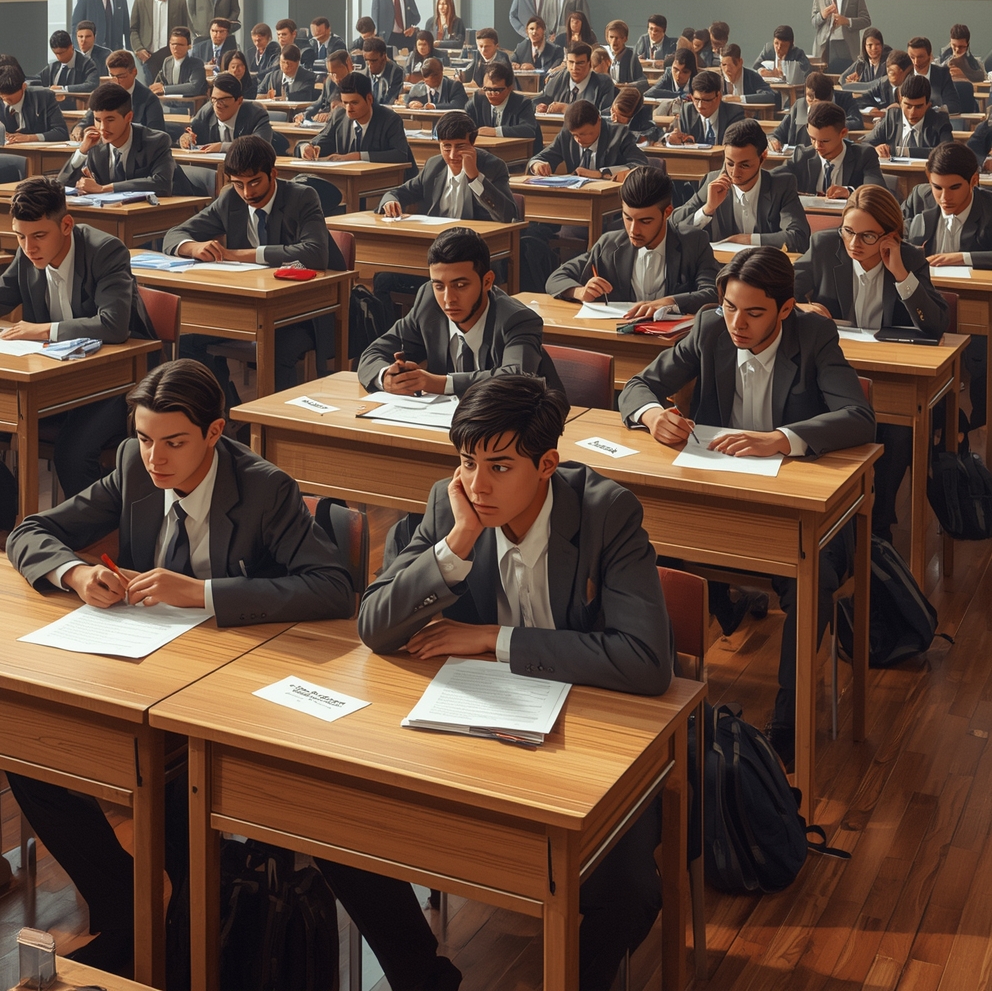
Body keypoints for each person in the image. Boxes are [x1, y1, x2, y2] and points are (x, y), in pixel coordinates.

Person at [4, 357, 354, 981]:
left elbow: (331, 587)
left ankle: (187, 941)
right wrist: (78, 573)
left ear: (215, 434)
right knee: (28, 743)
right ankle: (123, 907)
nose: (155, 458)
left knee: (182, 805)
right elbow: (31, 530)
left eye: (173, 442)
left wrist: (202, 592)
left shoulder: (263, 488)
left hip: (230, 690)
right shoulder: (133, 470)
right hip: (136, 671)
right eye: (143, 439)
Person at [358, 373, 672, 991]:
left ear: (547, 464)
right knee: (345, 823)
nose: (478, 484)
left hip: (594, 737)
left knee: (625, 888)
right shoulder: (451, 505)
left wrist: (491, 639)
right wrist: (457, 543)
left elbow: (644, 660)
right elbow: (374, 625)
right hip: (478, 731)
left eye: (499, 466)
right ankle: (421, 975)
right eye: (468, 462)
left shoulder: (607, 512)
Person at [618, 246, 874, 767]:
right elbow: (640, 384)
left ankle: (787, 719)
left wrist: (781, 438)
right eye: (731, 306)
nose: (738, 322)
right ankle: (651, 708)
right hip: (716, 498)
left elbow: (858, 416)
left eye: (754, 312)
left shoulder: (815, 335)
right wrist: (649, 415)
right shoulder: (710, 327)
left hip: (797, 507)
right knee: (640, 545)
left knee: (813, 575)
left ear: (785, 309)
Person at [794, 185, 947, 540]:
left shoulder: (908, 258)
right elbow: (776, 292)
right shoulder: (824, 246)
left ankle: (879, 522)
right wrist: (802, 307)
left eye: (867, 235)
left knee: (896, 429)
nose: (854, 243)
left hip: (889, 367)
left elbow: (936, 323)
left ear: (890, 235)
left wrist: (901, 275)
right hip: (833, 366)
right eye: (848, 231)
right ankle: (834, 514)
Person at [0, 176, 156, 495]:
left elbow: (113, 325)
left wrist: (43, 330)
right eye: (20, 237)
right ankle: (7, 522)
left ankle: (94, 540)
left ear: (67, 224)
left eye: (39, 236)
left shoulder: (105, 251)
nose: (29, 248)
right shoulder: (27, 253)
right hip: (54, 378)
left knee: (71, 454)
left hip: (118, 380)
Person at [164, 137, 344, 401]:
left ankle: (277, 429)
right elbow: (174, 234)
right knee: (186, 342)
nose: (247, 193)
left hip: (304, 312)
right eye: (238, 185)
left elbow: (315, 253)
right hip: (251, 307)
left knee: (276, 348)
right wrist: (192, 248)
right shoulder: (230, 201)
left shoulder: (302, 197)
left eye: (255, 182)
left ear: (273, 173)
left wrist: (241, 255)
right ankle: (229, 413)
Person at [358, 229, 562, 395]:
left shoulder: (517, 319)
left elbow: (517, 379)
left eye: (460, 285)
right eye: (439, 286)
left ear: (487, 281)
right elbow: (373, 353)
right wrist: (387, 377)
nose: (448, 299)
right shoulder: (428, 302)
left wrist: (438, 383)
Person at [546, 166, 718, 319]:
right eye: (627, 218)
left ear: (667, 212)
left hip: (677, 344)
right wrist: (580, 292)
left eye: (645, 221)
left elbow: (713, 292)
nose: (633, 230)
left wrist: (670, 301)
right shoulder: (609, 245)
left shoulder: (694, 242)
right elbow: (556, 279)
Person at [906, 141, 992, 426]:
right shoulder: (919, 197)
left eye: (954, 188)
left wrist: (963, 257)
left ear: (974, 180)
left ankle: (979, 424)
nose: (943, 197)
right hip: (925, 299)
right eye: (937, 187)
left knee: (981, 358)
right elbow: (894, 234)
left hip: (978, 301)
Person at [671, 118, 810, 251]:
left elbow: (799, 238)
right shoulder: (712, 181)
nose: (734, 172)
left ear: (763, 157)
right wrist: (707, 209)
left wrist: (748, 240)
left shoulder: (781, 186)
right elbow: (673, 226)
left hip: (766, 269)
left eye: (744, 165)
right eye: (729, 163)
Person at [378, 112, 517, 222]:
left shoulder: (493, 166)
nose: (452, 155)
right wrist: (391, 201)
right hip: (436, 240)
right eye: (446, 146)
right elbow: (396, 193)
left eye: (460, 146)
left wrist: (475, 177)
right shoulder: (434, 166)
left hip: (475, 244)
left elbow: (508, 215)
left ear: (472, 144)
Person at [58, 82, 175, 197]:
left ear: (129, 117)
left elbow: (162, 184)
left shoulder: (157, 141)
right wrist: (82, 152)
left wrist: (103, 189)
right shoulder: (94, 146)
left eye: (110, 120)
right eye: (98, 120)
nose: (103, 128)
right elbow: (61, 185)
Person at [178, 75, 275, 196]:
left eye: (223, 100)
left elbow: (261, 144)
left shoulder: (256, 114)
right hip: (217, 177)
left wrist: (222, 147)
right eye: (214, 99)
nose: (217, 105)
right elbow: (191, 133)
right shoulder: (206, 112)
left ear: (239, 100)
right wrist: (186, 139)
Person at [299, 71, 412, 164]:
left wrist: (358, 156)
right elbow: (320, 141)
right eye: (345, 103)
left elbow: (400, 154)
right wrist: (307, 148)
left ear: (369, 99)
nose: (349, 108)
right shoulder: (339, 115)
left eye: (354, 103)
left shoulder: (390, 119)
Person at [778, 101, 886, 196]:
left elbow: (876, 192)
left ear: (843, 133)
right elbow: (772, 178)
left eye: (824, 141)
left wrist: (849, 192)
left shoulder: (864, 156)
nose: (817, 146)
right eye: (813, 139)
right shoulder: (802, 155)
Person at [528, 98, 644, 180]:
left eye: (584, 134)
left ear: (598, 121)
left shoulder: (619, 134)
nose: (578, 139)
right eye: (575, 135)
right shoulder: (566, 135)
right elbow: (538, 158)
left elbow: (641, 165)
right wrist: (537, 165)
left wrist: (600, 173)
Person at [72, 50, 167, 138]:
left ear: (134, 72)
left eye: (121, 76)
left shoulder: (149, 99)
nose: (116, 81)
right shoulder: (104, 94)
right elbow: (88, 118)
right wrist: (80, 127)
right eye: (112, 75)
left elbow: (156, 134)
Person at [861, 74, 954, 158]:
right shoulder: (892, 117)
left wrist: (904, 152)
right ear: (900, 102)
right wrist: (876, 149)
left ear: (928, 105)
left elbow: (947, 153)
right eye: (908, 106)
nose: (912, 113)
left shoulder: (940, 121)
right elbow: (864, 143)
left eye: (918, 107)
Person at [129, 0, 192, 82]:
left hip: (172, 55)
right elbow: (133, 29)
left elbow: (186, 30)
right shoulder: (140, 1)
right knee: (150, 93)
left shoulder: (180, 2)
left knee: (172, 92)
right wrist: (138, 49)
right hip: (148, 56)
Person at [810, 0, 871, 70]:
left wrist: (847, 21)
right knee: (824, 79)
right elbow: (814, 22)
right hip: (826, 45)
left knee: (847, 77)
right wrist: (822, 15)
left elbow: (866, 20)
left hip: (848, 45)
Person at [465, 61, 540, 148]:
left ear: (509, 88)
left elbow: (529, 130)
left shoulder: (522, 103)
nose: (491, 94)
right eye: (487, 89)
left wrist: (496, 131)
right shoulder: (477, 100)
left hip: (513, 152)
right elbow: (463, 124)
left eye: (497, 90)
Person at [664, 69, 744, 145]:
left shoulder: (734, 114)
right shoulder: (687, 111)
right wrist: (670, 138)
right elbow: (672, 134)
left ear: (718, 96)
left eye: (706, 100)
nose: (700, 106)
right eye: (696, 99)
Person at [533, 42, 613, 114]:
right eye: (571, 62)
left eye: (580, 63)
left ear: (590, 63)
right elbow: (536, 101)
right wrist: (539, 106)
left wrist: (568, 109)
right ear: (566, 62)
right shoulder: (557, 79)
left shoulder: (604, 84)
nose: (574, 68)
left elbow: (606, 114)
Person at [0, 61, 68, 144]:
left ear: (24, 87)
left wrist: (30, 137)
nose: (5, 101)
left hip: (38, 153)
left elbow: (61, 132)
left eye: (10, 99)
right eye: (2, 96)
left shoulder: (44, 98)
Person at [768, 71, 837, 152]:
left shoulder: (838, 108)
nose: (814, 103)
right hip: (798, 159)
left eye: (820, 101)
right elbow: (777, 134)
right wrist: (773, 140)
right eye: (810, 97)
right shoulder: (799, 106)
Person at [906, 35, 962, 113]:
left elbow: (954, 105)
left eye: (920, 57)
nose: (916, 62)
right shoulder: (905, 74)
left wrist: (933, 111)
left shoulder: (942, 74)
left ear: (930, 55)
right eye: (912, 57)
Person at [37, 29, 100, 97]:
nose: (59, 57)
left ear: (71, 47)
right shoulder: (53, 66)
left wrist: (63, 89)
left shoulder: (87, 64)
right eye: (56, 53)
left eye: (62, 53)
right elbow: (36, 79)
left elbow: (92, 84)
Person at [151, 26, 208, 99]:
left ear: (189, 46)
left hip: (189, 105)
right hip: (168, 104)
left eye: (180, 44)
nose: (175, 47)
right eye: (172, 44)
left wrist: (165, 89)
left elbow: (194, 87)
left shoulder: (196, 64)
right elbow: (158, 83)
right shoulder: (167, 62)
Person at [862, 48, 914, 116]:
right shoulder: (883, 83)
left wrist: (899, 107)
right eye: (888, 71)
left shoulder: (914, 85)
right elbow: (864, 96)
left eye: (893, 72)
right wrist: (870, 109)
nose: (889, 75)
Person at [604, 19, 647, 91]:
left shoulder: (632, 57)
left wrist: (627, 85)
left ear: (625, 39)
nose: (614, 41)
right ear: (607, 38)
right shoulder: (603, 54)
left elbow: (643, 82)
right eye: (611, 37)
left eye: (617, 38)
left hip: (625, 93)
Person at [361, 36, 404, 105]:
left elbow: (389, 101)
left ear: (383, 57)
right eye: (366, 60)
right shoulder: (363, 73)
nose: (369, 65)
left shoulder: (395, 72)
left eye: (373, 61)